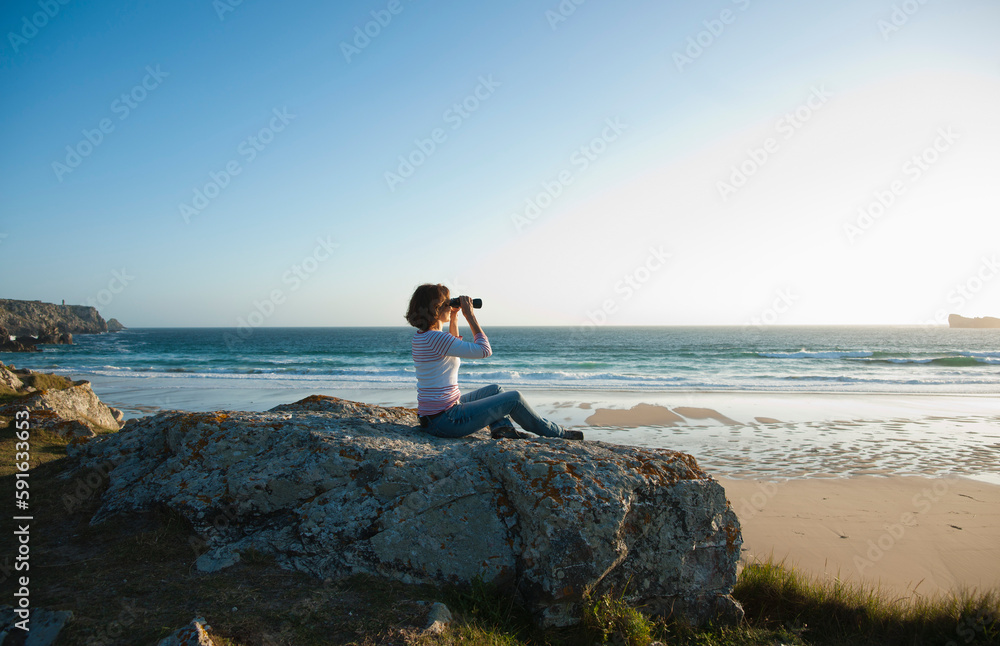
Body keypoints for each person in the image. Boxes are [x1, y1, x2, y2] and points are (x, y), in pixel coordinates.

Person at [405, 283, 583, 440]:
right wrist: (470, 316)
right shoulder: (436, 338)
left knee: (495, 390)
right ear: (436, 308)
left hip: (436, 417)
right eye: (446, 303)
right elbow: (484, 350)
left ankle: (502, 430)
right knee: (514, 398)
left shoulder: (423, 337)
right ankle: (558, 434)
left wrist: (454, 316)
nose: (449, 305)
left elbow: (454, 345)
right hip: (447, 420)